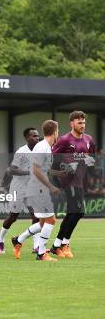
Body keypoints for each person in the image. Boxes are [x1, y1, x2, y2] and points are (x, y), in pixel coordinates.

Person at [12, 120, 63, 261]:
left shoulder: (45, 146)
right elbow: (36, 169)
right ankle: (41, 254)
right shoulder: (43, 147)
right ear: (55, 132)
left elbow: (44, 169)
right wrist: (51, 187)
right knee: (51, 220)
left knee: (42, 223)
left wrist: (60, 173)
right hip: (38, 188)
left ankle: (18, 240)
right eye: (58, 131)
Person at [50, 111, 96, 258]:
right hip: (67, 181)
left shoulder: (89, 140)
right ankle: (64, 243)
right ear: (72, 124)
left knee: (74, 212)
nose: (82, 125)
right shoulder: (64, 140)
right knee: (78, 211)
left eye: (83, 123)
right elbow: (52, 160)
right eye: (79, 123)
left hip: (80, 181)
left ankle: (57, 245)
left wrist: (89, 162)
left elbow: (91, 159)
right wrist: (64, 169)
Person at [0, 127, 40, 254]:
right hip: (18, 188)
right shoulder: (21, 151)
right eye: (34, 136)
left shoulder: (39, 151)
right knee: (13, 217)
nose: (37, 138)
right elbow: (12, 170)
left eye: (37, 136)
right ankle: (0, 240)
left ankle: (36, 246)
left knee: (36, 216)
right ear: (27, 138)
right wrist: (29, 172)